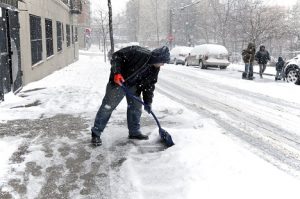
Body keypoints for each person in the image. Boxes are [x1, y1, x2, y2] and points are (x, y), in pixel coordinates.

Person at [91, 45, 170, 146]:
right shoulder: (138, 52)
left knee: (136, 107)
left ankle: (134, 132)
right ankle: (96, 133)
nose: (163, 64)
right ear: (158, 58)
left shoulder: (155, 68)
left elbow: (149, 85)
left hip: (133, 86)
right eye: (163, 62)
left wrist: (148, 102)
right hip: (119, 82)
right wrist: (116, 73)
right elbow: (117, 56)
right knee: (108, 107)